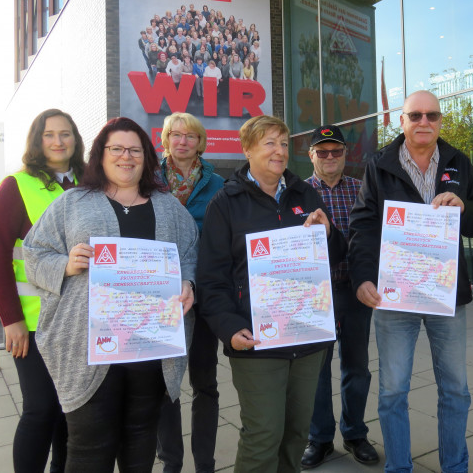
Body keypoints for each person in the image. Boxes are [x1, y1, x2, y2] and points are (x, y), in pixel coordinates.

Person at [22, 117, 199, 472]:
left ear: (147, 158)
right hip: (90, 350)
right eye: (116, 149)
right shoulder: (73, 203)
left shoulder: (169, 208)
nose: (126, 157)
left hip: (150, 345)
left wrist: (188, 284)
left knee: (140, 442)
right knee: (89, 448)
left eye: (135, 150)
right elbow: (34, 252)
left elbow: (190, 252)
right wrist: (66, 264)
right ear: (100, 156)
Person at [198, 115, 347, 472]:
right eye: (269, 143)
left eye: (283, 143)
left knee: (296, 433)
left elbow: (336, 255)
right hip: (256, 340)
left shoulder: (304, 193)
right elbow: (211, 278)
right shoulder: (225, 203)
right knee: (263, 433)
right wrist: (229, 328)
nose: (279, 151)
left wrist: (328, 235)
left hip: (307, 337)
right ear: (247, 149)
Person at [349, 90, 473, 473]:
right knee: (393, 391)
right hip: (396, 296)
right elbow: (362, 226)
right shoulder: (379, 165)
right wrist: (362, 277)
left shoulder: (459, 161)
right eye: (416, 115)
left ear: (440, 120)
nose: (424, 122)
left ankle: (455, 466)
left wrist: (464, 208)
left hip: (446, 294)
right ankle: (398, 467)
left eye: (432, 115)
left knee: (456, 389)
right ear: (401, 120)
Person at [0, 108, 84, 473]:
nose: (58, 141)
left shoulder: (88, 183)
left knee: (68, 409)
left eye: (65, 134)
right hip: (32, 323)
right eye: (49, 134)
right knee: (40, 409)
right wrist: (10, 320)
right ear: (37, 141)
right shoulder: (16, 185)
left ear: (76, 140)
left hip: (78, 320)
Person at [301, 126, 378, 469]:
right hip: (315, 296)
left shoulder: (362, 190)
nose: (329, 157)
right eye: (322, 151)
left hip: (355, 291)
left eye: (336, 151)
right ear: (311, 156)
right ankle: (319, 438)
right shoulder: (297, 194)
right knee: (316, 371)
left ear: (346, 154)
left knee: (357, 367)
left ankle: (354, 433)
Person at [156, 113, 225, 473]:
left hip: (204, 293)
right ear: (165, 140)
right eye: (175, 135)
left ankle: (205, 463)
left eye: (190, 136)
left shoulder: (218, 184)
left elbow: (224, 237)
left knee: (205, 382)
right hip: (161, 295)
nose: (182, 142)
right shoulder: (147, 180)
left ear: (200, 142)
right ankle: (171, 462)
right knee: (167, 384)